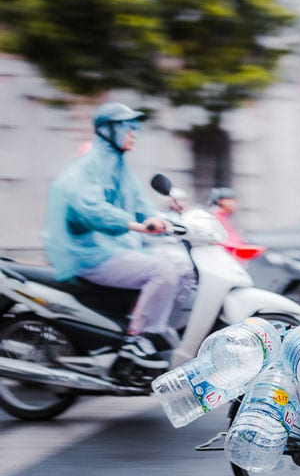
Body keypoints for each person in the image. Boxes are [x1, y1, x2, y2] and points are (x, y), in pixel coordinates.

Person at [43, 102, 192, 369]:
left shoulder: (120, 168)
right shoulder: (89, 167)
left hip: (114, 251)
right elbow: (92, 210)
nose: (133, 132)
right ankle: (137, 340)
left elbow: (141, 207)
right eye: (126, 127)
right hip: (87, 255)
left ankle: (154, 330)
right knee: (163, 271)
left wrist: (175, 221)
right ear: (107, 130)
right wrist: (135, 225)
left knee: (183, 267)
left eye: (135, 127)